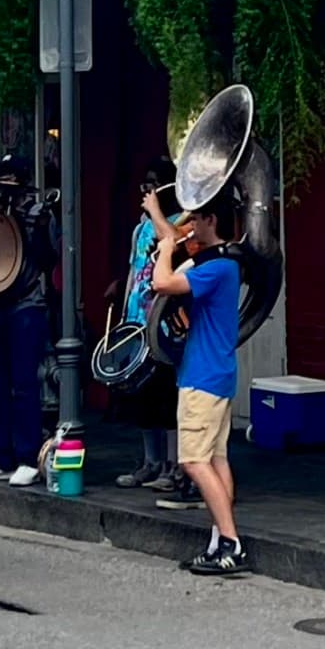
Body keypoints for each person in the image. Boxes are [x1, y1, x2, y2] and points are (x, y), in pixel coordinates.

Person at [147, 186, 247, 578]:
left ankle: (231, 541)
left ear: (212, 221)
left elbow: (163, 284)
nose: (189, 225)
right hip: (217, 372)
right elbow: (167, 243)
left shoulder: (216, 267)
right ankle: (219, 539)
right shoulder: (222, 262)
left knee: (191, 461)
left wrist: (170, 248)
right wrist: (158, 214)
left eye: (195, 219)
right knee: (216, 459)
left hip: (202, 377)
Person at [0, 158, 55, 490]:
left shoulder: (38, 213)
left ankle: (27, 456)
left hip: (26, 303)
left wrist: (30, 229)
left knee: (24, 383)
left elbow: (50, 258)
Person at [109, 156, 179, 490]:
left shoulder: (180, 220)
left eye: (153, 185)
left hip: (164, 323)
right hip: (137, 321)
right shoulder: (140, 226)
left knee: (167, 397)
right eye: (145, 185)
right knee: (143, 398)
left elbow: (174, 244)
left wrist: (156, 211)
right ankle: (150, 462)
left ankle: (172, 466)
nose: (147, 191)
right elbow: (134, 271)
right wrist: (124, 305)